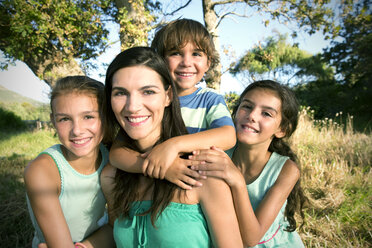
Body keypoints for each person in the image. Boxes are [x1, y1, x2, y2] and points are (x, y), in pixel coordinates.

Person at [100, 46, 242, 248]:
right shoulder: (112, 176)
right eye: (120, 93)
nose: (132, 106)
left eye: (148, 91)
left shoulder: (203, 175)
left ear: (168, 96)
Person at [109, 18, 236, 189]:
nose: (186, 62)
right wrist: (161, 167)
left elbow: (228, 135)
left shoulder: (209, 99)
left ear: (208, 63)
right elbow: (117, 153)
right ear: (160, 60)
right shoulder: (150, 105)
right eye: (176, 53)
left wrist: (173, 146)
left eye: (196, 54)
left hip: (202, 185)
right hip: (160, 185)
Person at [189, 80, 307, 247]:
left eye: (266, 113)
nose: (252, 116)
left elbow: (252, 239)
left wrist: (237, 181)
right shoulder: (218, 151)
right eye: (247, 106)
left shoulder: (286, 170)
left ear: (282, 130)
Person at [24, 76, 114, 248]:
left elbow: (114, 226)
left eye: (88, 116)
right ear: (53, 121)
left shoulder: (111, 158)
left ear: (106, 117)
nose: (77, 130)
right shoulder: (41, 171)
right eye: (64, 119)